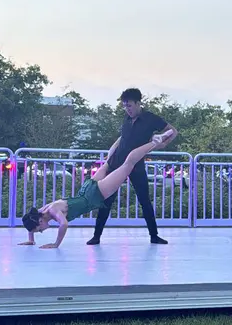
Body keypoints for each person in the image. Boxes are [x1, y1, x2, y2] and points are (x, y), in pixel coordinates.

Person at [18, 130, 174, 249]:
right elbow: (30, 219)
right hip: (86, 190)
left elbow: (64, 225)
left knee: (128, 165)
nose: (42, 231)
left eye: (40, 230)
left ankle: (155, 141)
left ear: (40, 221)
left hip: (94, 195)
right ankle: (124, 136)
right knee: (109, 161)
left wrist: (55, 244)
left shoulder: (52, 212)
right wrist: (31, 239)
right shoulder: (42, 212)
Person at [86, 88, 178, 245]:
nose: (127, 109)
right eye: (124, 106)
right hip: (117, 163)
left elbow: (173, 131)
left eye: (129, 105)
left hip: (136, 164)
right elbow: (122, 139)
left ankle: (154, 236)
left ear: (138, 103)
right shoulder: (126, 120)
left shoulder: (150, 118)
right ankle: (96, 236)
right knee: (106, 199)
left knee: (144, 200)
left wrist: (160, 145)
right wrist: (109, 156)